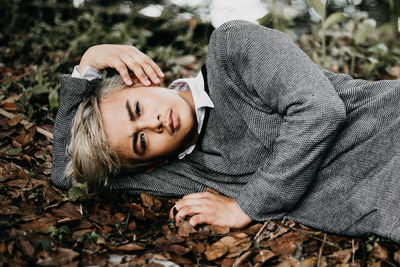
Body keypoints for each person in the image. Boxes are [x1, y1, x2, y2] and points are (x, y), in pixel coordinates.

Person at [51, 20, 400, 243]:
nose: (153, 123)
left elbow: (320, 110)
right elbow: (66, 176)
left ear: (142, 79)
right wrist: (84, 70)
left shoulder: (231, 50)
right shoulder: (184, 172)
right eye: (141, 141)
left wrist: (246, 206)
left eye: (137, 108)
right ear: (148, 166)